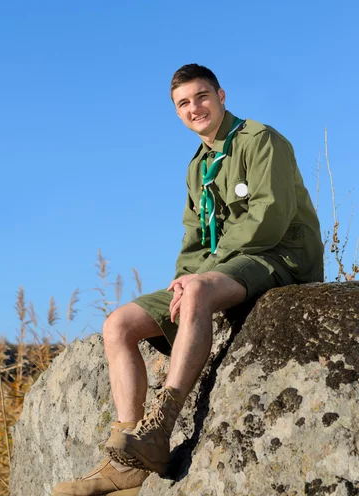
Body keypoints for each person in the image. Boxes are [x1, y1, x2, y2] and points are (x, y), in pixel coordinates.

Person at [53, 64, 323, 496]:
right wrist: (181, 280)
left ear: (221, 95)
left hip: (278, 258)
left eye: (202, 97)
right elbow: (194, 236)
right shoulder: (198, 167)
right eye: (183, 103)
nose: (194, 108)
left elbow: (268, 220)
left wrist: (198, 278)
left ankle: (160, 430)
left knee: (197, 287)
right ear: (177, 113)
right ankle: (125, 462)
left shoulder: (261, 141)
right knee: (118, 324)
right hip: (221, 268)